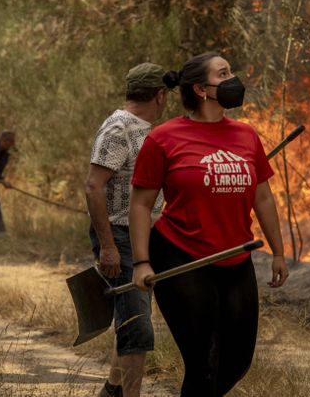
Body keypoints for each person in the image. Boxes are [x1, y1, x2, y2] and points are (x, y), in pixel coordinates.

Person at [129, 52, 289, 396]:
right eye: (224, 73)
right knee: (203, 364)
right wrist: (141, 262)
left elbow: (263, 197)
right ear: (201, 89)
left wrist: (278, 251)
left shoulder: (246, 135)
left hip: (236, 256)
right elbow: (141, 205)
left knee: (237, 361)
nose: (233, 79)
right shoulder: (163, 138)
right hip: (181, 255)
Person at [85, 63, 170, 397]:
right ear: (161, 96)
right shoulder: (118, 128)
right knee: (137, 326)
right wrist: (107, 247)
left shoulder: (144, 129)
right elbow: (93, 186)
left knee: (133, 316)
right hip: (119, 235)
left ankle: (112, 390)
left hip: (140, 236)